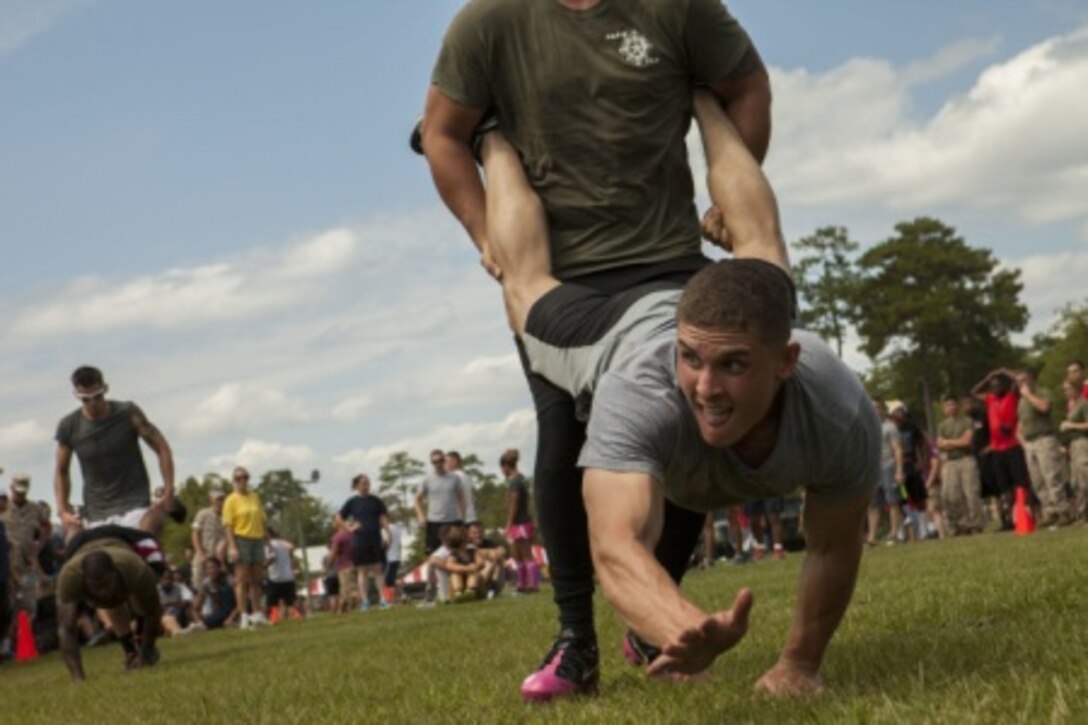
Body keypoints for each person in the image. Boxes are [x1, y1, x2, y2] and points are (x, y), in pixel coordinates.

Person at [421, 0, 777, 700]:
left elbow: (748, 86)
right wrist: (481, 230)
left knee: (690, 428)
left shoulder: (678, 9)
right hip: (553, 272)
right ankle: (575, 638)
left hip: (671, 261)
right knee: (563, 436)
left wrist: (723, 204)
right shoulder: (488, 22)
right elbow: (442, 133)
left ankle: (655, 607)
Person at [486, 105, 876, 696]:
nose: (706, 388)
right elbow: (616, 545)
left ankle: (703, 98)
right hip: (609, 330)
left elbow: (833, 544)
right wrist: (682, 625)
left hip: (710, 305)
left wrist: (798, 664)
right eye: (693, 362)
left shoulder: (836, 410)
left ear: (784, 364)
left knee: (764, 254)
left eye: (734, 367)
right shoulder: (639, 393)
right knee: (525, 286)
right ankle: (492, 137)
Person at [54, 366, 177, 541]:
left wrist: (169, 491)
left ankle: (157, 565)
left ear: (105, 389)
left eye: (97, 396)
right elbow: (61, 470)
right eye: (86, 399)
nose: (93, 403)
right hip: (96, 513)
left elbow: (162, 449)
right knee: (72, 543)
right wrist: (62, 510)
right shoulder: (69, 426)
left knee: (148, 535)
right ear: (77, 395)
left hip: (136, 506)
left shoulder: (127, 412)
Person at [56, 534, 163, 681]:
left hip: (120, 536)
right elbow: (66, 628)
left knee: (143, 600)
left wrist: (147, 651)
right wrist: (77, 677)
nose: (103, 592)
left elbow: (154, 611)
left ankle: (141, 647)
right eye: (96, 588)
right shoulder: (69, 577)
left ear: (115, 573)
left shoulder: (135, 568)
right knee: (108, 604)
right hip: (78, 544)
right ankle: (130, 651)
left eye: (106, 584)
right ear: (84, 580)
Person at [972, 369, 1031, 528]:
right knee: (1003, 486)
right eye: (993, 386)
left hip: (1012, 445)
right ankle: (1007, 519)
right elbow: (975, 392)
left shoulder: (1011, 396)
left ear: (1004, 386)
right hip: (997, 449)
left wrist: (1004, 372)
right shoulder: (990, 399)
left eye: (998, 385)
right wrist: (988, 377)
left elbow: (1018, 381)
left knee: (1020, 482)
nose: (995, 388)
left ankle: (1025, 513)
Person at [1015, 370, 1071, 526]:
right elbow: (1020, 425)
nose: (1021, 384)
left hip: (1044, 438)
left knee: (1051, 475)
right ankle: (1050, 512)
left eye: (1024, 380)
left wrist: (1028, 395)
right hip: (1030, 443)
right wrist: (1023, 441)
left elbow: (1044, 407)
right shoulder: (1021, 402)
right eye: (1018, 381)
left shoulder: (1042, 392)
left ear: (1031, 379)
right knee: (1037, 480)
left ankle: (1063, 510)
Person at [221, 466, 268, 630]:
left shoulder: (255, 497)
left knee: (256, 580)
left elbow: (262, 520)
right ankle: (243, 616)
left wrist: (267, 542)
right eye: (238, 478)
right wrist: (232, 547)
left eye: (245, 477)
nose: (242, 481)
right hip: (241, 540)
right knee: (241, 581)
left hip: (257, 539)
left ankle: (257, 613)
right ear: (234, 481)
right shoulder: (230, 500)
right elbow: (228, 526)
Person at [338, 474, 392, 611]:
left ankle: (383, 599)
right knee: (363, 571)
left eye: (368, 482)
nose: (366, 485)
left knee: (378, 569)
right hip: (360, 540)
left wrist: (388, 532)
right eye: (363, 483)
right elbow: (339, 517)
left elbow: (383, 517)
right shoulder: (352, 502)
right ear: (356, 486)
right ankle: (365, 601)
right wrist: (348, 528)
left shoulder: (376, 501)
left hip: (375, 538)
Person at [936, 395, 985, 534]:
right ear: (944, 409)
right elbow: (940, 445)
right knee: (952, 494)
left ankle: (976, 524)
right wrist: (954, 442)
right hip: (950, 462)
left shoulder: (967, 421)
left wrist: (949, 442)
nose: (951, 407)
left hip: (966, 459)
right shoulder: (942, 426)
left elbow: (967, 441)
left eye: (953, 404)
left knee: (971, 492)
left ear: (958, 406)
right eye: (947, 405)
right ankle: (960, 525)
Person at [2, 475, 44, 625]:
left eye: (23, 492)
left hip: (27, 564)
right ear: (11, 488)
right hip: (7, 563)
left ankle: (24, 640)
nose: (20, 495)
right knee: (8, 602)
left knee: (29, 603)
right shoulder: (3, 507)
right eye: (17, 491)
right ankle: (7, 642)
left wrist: (39, 545)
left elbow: (46, 527)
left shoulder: (36, 509)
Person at [501, 449, 538, 593]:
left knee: (526, 553)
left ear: (506, 466)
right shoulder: (518, 479)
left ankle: (533, 583)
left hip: (521, 523)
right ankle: (522, 583)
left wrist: (508, 524)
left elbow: (514, 504)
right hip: (518, 523)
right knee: (517, 555)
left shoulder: (516, 482)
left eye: (502, 469)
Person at [867, 401, 905, 545]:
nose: (874, 411)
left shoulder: (890, 427)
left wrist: (899, 470)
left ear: (882, 410)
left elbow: (897, 449)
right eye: (872, 408)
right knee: (872, 504)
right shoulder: (867, 427)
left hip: (888, 467)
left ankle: (894, 533)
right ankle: (871, 537)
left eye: (877, 408)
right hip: (872, 470)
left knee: (892, 501)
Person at [1060, 381, 1088, 520]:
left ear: (1076, 389)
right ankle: (1083, 513)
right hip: (1074, 444)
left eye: (1068, 389)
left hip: (1083, 442)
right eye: (1064, 390)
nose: (1066, 392)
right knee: (1075, 481)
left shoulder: (1084, 404)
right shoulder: (1071, 406)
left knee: (1085, 478)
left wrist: (1071, 425)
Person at [190, 487, 227, 591]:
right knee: (199, 588)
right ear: (211, 499)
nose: (221, 501)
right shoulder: (203, 513)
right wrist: (200, 552)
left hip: (218, 560)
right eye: (218, 499)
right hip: (203, 556)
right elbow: (195, 533)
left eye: (222, 498)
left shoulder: (226, 515)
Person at [193, 557, 237, 630]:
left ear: (219, 568)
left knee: (225, 591)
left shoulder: (229, 580)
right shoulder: (206, 583)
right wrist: (198, 620)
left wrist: (230, 618)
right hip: (219, 612)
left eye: (214, 567)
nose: (212, 571)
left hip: (233, 610)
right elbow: (196, 606)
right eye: (208, 568)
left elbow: (240, 603)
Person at [265, 528, 297, 623]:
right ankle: (295, 617)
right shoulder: (284, 543)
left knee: (273, 603)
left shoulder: (269, 545)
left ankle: (275, 619)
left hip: (275, 577)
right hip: (288, 576)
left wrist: (262, 566)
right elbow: (292, 547)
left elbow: (271, 558)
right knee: (289, 603)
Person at [328, 520, 356, 612]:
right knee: (348, 588)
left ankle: (347, 608)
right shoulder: (352, 535)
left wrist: (327, 566)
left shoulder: (337, 537)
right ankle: (346, 609)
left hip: (343, 565)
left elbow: (333, 553)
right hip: (354, 563)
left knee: (347, 589)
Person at [157, 568, 195, 636]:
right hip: (163, 618)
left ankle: (194, 624)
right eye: (164, 579)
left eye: (169, 578)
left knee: (189, 608)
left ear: (172, 579)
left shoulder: (180, 587)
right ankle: (177, 631)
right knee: (166, 618)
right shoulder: (155, 591)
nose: (167, 581)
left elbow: (187, 600)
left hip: (179, 615)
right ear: (160, 579)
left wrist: (171, 603)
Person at [445, 451, 478, 525]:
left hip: (460, 519)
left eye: (446, 461)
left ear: (454, 461)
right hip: (470, 517)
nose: (444, 464)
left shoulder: (454, 477)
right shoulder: (465, 476)